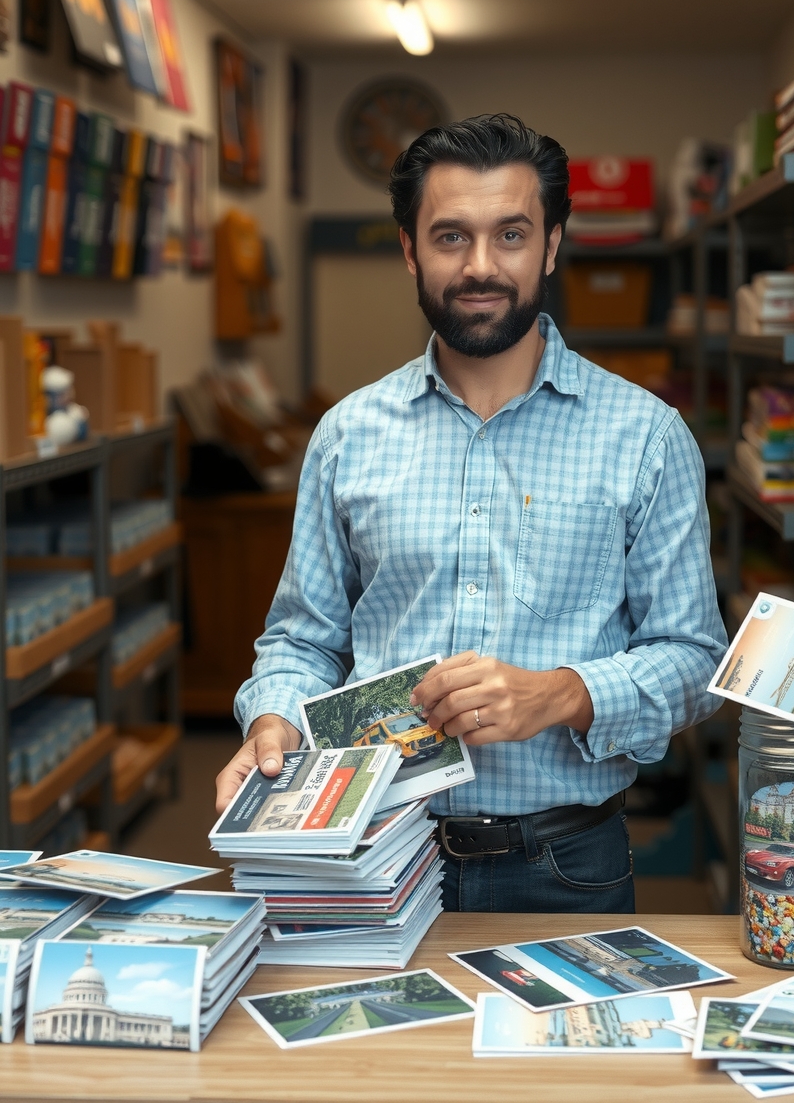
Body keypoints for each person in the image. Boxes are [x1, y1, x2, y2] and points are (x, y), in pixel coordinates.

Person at [216, 113, 727, 913]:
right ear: (410, 250)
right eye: (451, 237)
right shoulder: (348, 434)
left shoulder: (647, 437)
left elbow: (697, 660)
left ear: (552, 246)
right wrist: (273, 719)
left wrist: (558, 694)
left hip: (566, 866)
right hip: (372, 855)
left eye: (512, 235)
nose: (481, 266)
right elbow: (301, 639)